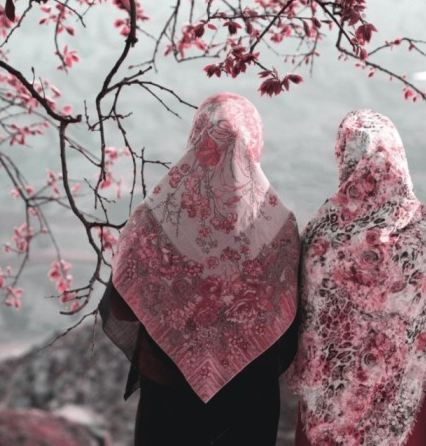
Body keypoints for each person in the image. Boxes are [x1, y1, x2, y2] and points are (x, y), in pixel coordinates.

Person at [99, 92, 300, 446]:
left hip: (167, 402)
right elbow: (289, 325)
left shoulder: (152, 218)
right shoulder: (279, 227)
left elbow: (120, 308)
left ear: (196, 138)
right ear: (255, 143)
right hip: (250, 408)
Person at [287, 109, 426, 446]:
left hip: (327, 414)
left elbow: (307, 322)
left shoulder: (320, 235)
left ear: (344, 156)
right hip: (403, 416)